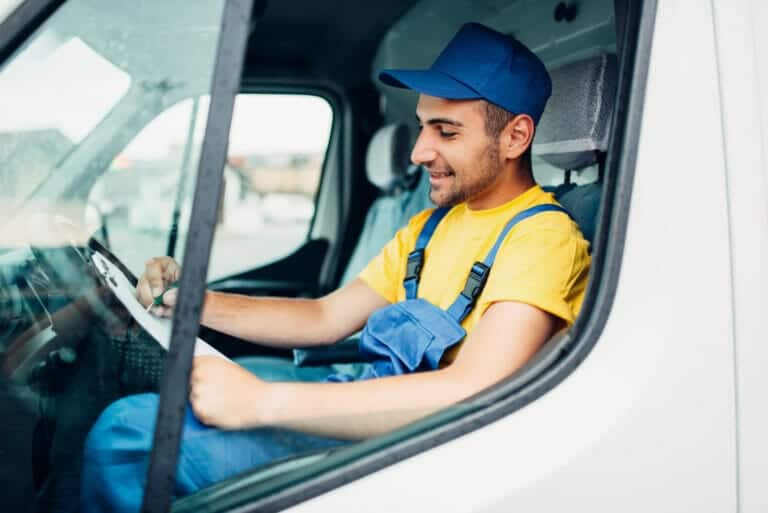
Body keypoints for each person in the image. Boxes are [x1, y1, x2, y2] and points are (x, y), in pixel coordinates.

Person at [81, 22, 591, 512]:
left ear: (515, 137)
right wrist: (192, 301)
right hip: (368, 412)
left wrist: (262, 402)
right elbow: (324, 318)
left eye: (447, 132)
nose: (418, 151)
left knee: (126, 439)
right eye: (421, 127)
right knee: (134, 422)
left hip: (421, 451)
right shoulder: (431, 227)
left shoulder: (542, 238)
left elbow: (474, 390)